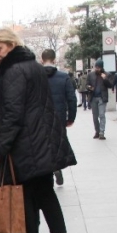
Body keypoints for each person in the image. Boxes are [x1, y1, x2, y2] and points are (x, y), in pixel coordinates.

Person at [0, 29, 76, 233]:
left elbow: (13, 113)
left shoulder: (14, 71)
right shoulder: (32, 65)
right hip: (41, 140)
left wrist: (1, 148)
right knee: (45, 192)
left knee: (24, 194)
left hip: (26, 143)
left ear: (12, 45)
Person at [41, 48, 76, 187]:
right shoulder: (64, 77)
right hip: (59, 116)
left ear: (41, 59)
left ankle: (48, 171)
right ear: (54, 59)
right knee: (57, 143)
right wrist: (71, 117)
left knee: (43, 145)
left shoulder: (37, 77)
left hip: (41, 117)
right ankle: (57, 167)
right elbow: (72, 99)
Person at [87, 59, 113, 140]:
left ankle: (102, 132)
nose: (96, 69)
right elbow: (87, 84)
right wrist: (89, 87)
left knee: (102, 115)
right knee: (95, 116)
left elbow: (110, 85)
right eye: (96, 67)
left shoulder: (107, 74)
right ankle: (97, 131)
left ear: (102, 67)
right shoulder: (91, 75)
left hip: (102, 97)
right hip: (93, 97)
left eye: (98, 67)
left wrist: (105, 79)